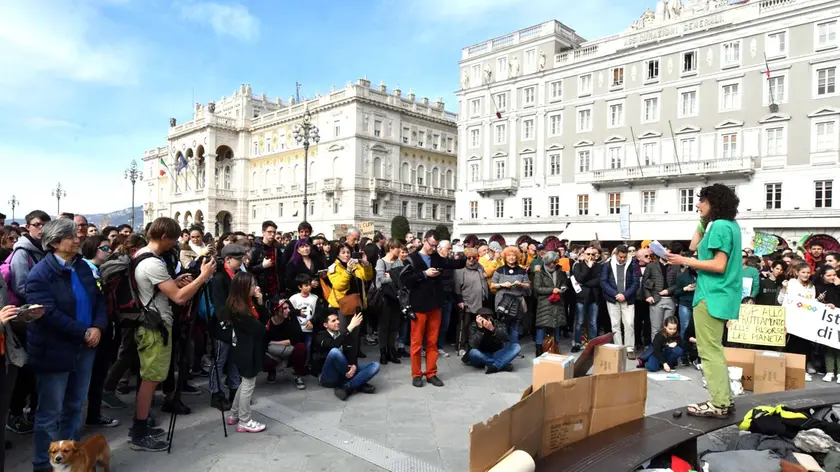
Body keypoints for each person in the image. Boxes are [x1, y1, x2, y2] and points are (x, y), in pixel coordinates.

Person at [24, 219, 107, 472]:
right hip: (55, 350)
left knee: (74, 404)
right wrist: (84, 332)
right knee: (50, 411)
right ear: (55, 243)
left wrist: (98, 326)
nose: (78, 239)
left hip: (85, 347)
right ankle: (43, 464)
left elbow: (99, 300)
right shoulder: (40, 274)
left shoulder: (82, 266)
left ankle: (70, 462)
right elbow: (48, 314)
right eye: (71, 236)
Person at [129, 217, 215, 451]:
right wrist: (202, 276)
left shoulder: (142, 255)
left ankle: (141, 424)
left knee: (151, 377)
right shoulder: (154, 263)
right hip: (155, 327)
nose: (176, 244)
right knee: (151, 379)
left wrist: (173, 281)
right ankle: (139, 430)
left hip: (151, 322)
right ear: (164, 236)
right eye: (175, 239)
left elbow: (163, 288)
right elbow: (179, 297)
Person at [667, 183, 742, 418]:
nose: (697, 204)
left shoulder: (719, 226)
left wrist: (684, 261)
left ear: (714, 204)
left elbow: (718, 265)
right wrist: (702, 222)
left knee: (709, 352)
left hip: (711, 294)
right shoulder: (729, 225)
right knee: (714, 350)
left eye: (702, 201)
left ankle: (719, 403)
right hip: (722, 295)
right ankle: (724, 400)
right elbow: (694, 246)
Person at [400, 230, 466, 388]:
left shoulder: (437, 257)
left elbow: (456, 264)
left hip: (436, 305)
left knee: (432, 342)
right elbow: (405, 280)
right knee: (416, 343)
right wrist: (424, 274)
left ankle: (431, 373)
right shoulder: (412, 258)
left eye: (436, 246)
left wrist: (462, 254)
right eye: (431, 245)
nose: (433, 249)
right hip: (419, 306)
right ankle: (416, 374)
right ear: (424, 241)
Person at [79, 236, 121, 428]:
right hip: (90, 330)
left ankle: (94, 414)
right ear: (93, 249)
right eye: (105, 247)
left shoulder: (98, 270)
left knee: (98, 374)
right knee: (88, 376)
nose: (109, 250)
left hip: (103, 326)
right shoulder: (84, 269)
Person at [221, 272, 267, 433]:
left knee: (245, 382)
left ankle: (234, 413)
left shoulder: (246, 302)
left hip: (249, 347)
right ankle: (244, 420)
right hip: (246, 349)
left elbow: (263, 320)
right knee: (248, 383)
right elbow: (260, 328)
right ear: (243, 287)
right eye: (252, 285)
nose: (255, 288)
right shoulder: (239, 308)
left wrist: (260, 301)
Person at [208, 243, 247, 411]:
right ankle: (216, 393)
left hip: (237, 323)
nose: (241, 262)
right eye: (238, 259)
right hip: (223, 325)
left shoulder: (238, 276)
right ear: (227, 259)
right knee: (219, 359)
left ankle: (234, 389)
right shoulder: (219, 278)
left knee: (234, 359)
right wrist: (227, 321)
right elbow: (219, 305)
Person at [314, 312, 379, 400]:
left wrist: (354, 366)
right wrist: (349, 328)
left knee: (375, 366)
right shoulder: (320, 336)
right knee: (334, 352)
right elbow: (334, 344)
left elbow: (352, 352)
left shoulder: (343, 335)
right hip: (328, 377)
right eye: (333, 321)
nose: (337, 322)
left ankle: (347, 387)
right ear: (325, 325)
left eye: (338, 319)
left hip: (344, 373)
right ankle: (358, 383)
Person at [601, 245, 639, 360]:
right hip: (613, 299)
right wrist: (615, 294)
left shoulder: (632, 264)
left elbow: (636, 283)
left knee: (629, 324)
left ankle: (629, 348)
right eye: (620, 257)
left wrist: (625, 295)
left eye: (624, 257)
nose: (622, 259)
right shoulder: (607, 265)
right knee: (615, 325)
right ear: (616, 254)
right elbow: (603, 282)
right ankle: (618, 347)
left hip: (628, 299)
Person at [490, 247, 531, 347]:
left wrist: (521, 284)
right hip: (502, 301)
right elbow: (492, 285)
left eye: (513, 255)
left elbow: (528, 285)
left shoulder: (522, 271)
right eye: (509, 255)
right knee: (502, 326)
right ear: (505, 257)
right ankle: (503, 348)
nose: (511, 258)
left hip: (517, 301)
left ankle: (514, 349)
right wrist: (503, 284)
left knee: (515, 326)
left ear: (517, 257)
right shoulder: (500, 270)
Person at [454, 247, 489, 356]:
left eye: (474, 258)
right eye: (469, 257)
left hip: (480, 301)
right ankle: (461, 346)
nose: (471, 260)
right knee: (465, 325)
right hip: (467, 301)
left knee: (478, 324)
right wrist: (459, 300)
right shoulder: (460, 269)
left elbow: (483, 281)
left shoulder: (480, 267)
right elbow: (456, 286)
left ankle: (475, 344)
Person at [463, 307, 520, 374]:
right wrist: (480, 329)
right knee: (473, 352)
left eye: (487, 317)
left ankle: (495, 366)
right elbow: (472, 345)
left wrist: (492, 329)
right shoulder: (473, 325)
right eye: (483, 317)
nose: (485, 319)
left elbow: (506, 338)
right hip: (480, 355)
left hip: (495, 353)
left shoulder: (496, 323)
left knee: (516, 346)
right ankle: (501, 365)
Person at [374, 239, 404, 364]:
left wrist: (390, 276)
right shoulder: (381, 262)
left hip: (396, 298)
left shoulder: (399, 261)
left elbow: (402, 279)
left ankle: (392, 351)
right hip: (384, 298)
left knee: (394, 326)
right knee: (384, 327)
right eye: (398, 248)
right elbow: (380, 280)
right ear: (391, 248)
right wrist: (393, 276)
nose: (400, 251)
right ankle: (383, 352)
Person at [533, 251, 567, 357]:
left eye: (554, 262)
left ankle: (555, 347)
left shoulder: (560, 270)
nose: (553, 265)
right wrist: (552, 290)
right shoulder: (539, 272)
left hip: (558, 302)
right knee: (541, 326)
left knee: (557, 325)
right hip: (545, 302)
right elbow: (537, 288)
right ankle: (539, 349)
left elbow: (564, 282)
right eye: (550, 262)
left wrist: (563, 288)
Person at [571, 246, 602, 352]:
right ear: (583, 255)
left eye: (592, 254)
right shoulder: (578, 266)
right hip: (582, 298)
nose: (590, 256)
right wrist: (588, 268)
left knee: (593, 322)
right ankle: (577, 343)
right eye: (588, 254)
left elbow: (599, 280)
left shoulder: (598, 266)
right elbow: (578, 278)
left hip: (594, 298)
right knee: (580, 322)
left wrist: (584, 283)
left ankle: (592, 344)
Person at [248, 221, 284, 300]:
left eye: (274, 232)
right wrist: (262, 266)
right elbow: (248, 269)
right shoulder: (255, 248)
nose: (272, 234)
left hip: (275, 287)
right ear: (263, 232)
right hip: (261, 287)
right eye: (269, 232)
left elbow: (280, 268)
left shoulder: (277, 248)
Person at [288, 273, 317, 364]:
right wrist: (297, 312)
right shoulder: (293, 299)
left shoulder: (315, 298)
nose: (309, 287)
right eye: (306, 285)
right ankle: (296, 364)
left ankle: (306, 365)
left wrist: (312, 321)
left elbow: (318, 313)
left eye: (309, 285)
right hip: (297, 329)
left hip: (309, 329)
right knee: (297, 347)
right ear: (300, 287)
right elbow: (288, 312)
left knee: (308, 346)